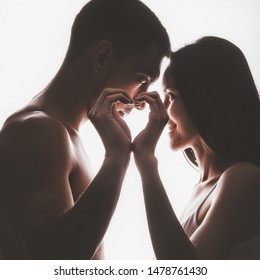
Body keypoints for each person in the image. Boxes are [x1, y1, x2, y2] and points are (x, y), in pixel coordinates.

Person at [0, 0, 170, 259]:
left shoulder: (66, 135)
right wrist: (117, 158)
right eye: (142, 79)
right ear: (101, 58)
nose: (141, 101)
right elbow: (52, 265)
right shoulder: (38, 130)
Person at [132, 36, 260, 259]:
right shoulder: (204, 188)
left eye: (171, 96)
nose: (163, 111)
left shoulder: (244, 177)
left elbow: (186, 269)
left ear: (205, 101)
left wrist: (146, 163)